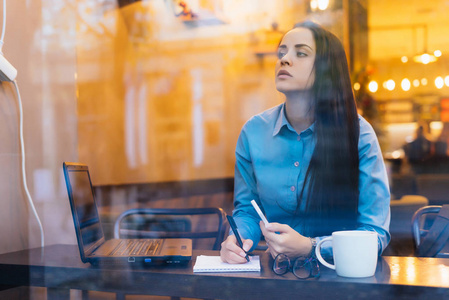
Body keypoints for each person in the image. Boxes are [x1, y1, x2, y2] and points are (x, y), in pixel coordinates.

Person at [220, 21, 390, 264]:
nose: (284, 59)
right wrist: (237, 239)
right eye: (282, 52)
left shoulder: (359, 134)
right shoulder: (253, 132)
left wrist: (311, 247)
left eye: (300, 53)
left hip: (341, 277)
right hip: (276, 275)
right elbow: (247, 210)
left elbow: (375, 235)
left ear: (326, 69)